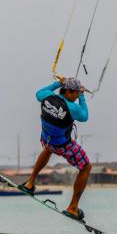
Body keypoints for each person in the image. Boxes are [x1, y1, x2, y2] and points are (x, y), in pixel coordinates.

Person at [20, 76, 92, 221]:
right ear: (69, 92)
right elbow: (84, 116)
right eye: (77, 93)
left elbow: (39, 93)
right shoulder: (73, 108)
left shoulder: (46, 96)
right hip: (63, 145)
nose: (78, 95)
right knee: (86, 167)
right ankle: (73, 207)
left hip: (46, 140)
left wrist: (58, 83)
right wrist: (83, 96)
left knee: (48, 150)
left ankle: (30, 183)